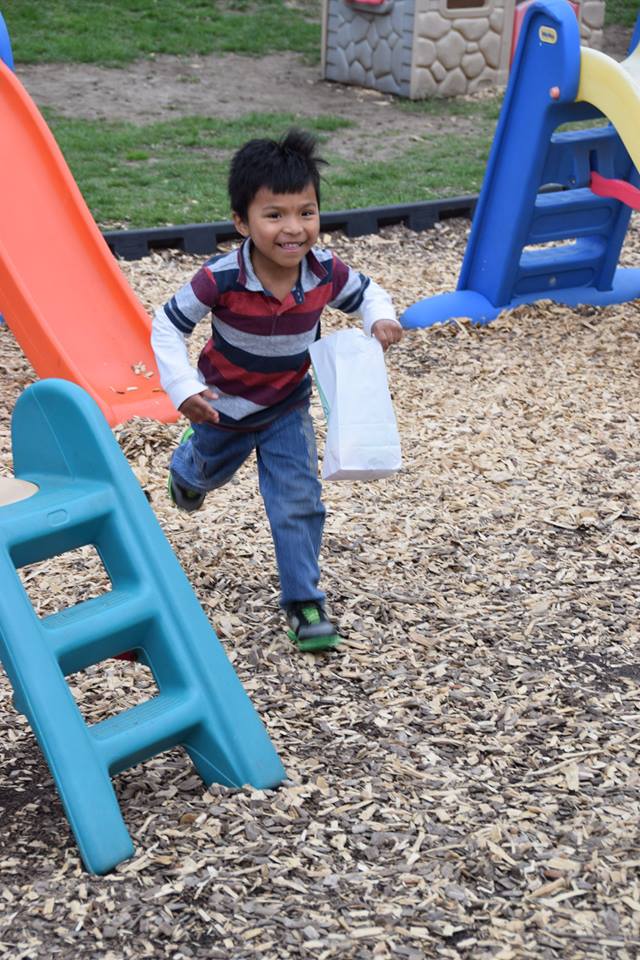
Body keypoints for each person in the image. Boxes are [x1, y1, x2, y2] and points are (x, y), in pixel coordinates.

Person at [151, 129, 402, 652]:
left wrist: (379, 318)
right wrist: (182, 388)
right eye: (275, 215)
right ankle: (189, 469)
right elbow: (168, 325)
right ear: (242, 222)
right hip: (221, 409)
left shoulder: (324, 271)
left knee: (297, 501)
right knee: (206, 472)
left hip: (288, 406)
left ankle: (303, 601)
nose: (293, 229)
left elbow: (367, 294)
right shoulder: (220, 278)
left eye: (306, 212)